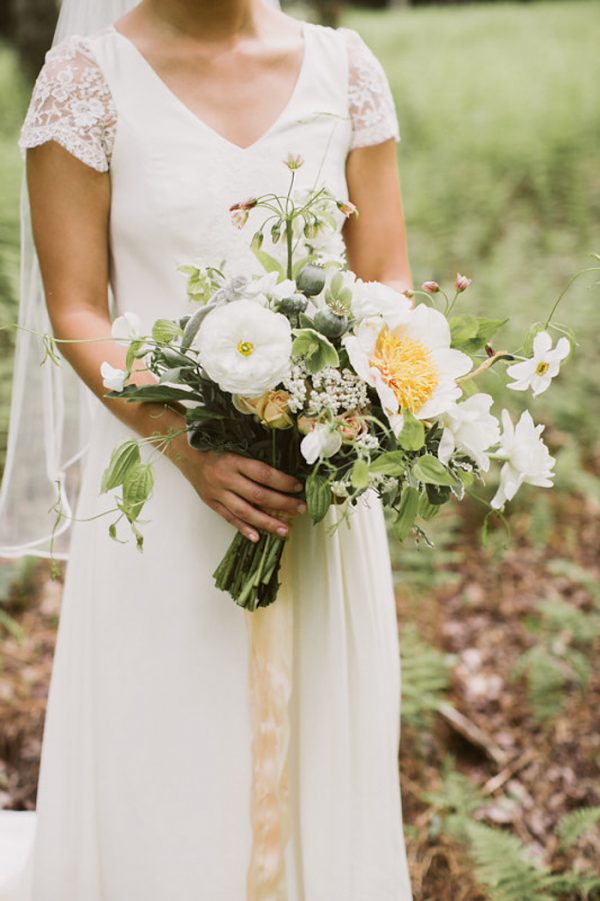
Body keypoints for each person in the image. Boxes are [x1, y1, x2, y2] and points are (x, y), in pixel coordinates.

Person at [0, 0, 414, 897]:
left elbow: (385, 276)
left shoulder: (345, 69)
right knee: (168, 763)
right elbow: (76, 311)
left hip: (317, 499)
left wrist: (340, 419)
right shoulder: (87, 84)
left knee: (320, 752)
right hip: (165, 496)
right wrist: (185, 441)